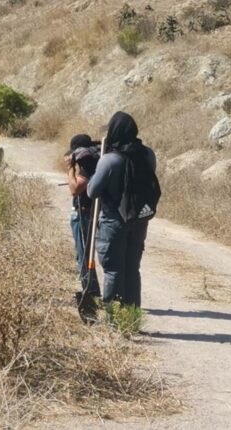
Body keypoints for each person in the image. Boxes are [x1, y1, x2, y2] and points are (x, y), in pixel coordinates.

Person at [87, 111, 160, 309]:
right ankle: (132, 315)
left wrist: (96, 170)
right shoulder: (147, 154)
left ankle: (114, 318)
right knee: (132, 269)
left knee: (113, 270)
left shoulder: (109, 160)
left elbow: (92, 192)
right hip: (138, 220)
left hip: (113, 222)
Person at [64, 134, 102, 322]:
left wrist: (70, 170)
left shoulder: (86, 162)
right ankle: (93, 291)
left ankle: (91, 293)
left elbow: (75, 188)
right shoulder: (97, 157)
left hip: (85, 212)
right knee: (86, 255)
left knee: (84, 255)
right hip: (92, 211)